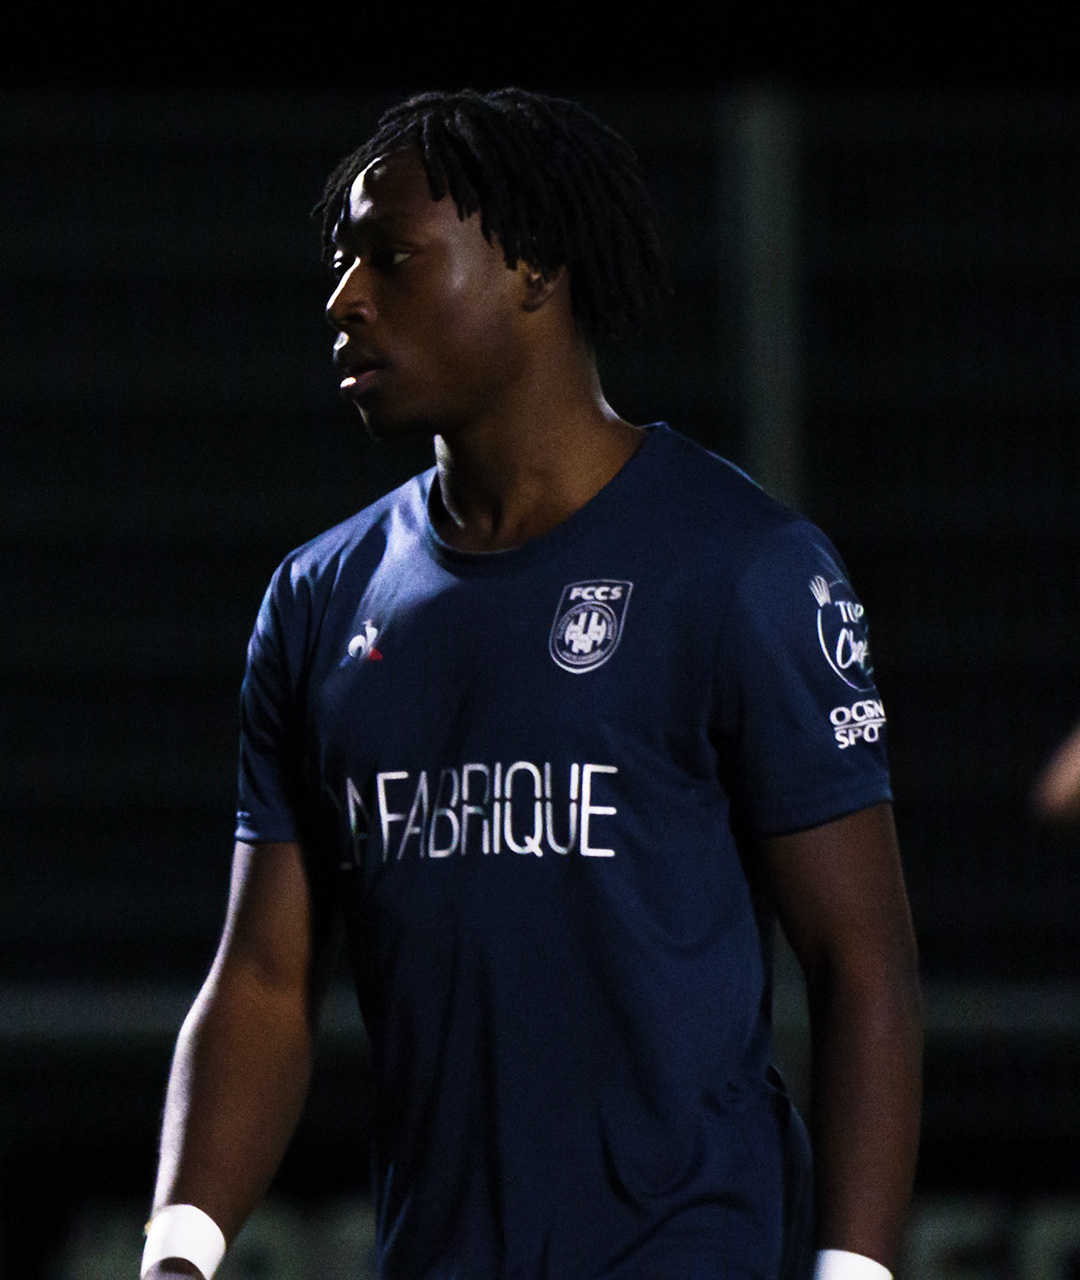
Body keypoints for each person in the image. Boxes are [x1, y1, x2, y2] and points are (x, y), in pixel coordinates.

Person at [143, 91, 922, 1280]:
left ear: (535, 269)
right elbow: (264, 974)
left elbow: (863, 965)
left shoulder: (742, 564)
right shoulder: (318, 596)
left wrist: (852, 1272)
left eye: (390, 259)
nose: (343, 298)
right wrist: (178, 1252)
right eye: (342, 260)